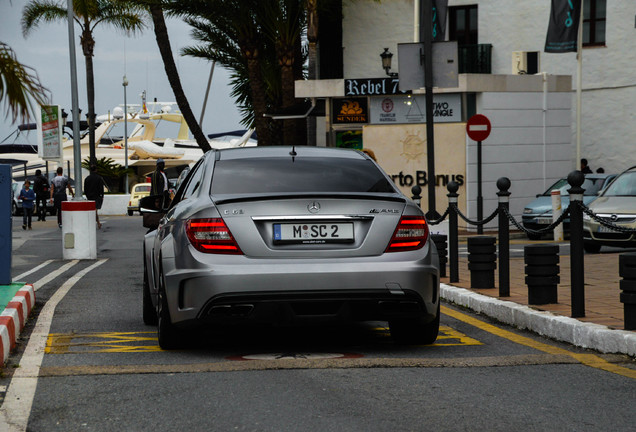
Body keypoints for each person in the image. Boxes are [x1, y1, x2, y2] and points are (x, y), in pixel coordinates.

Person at [84, 164, 105, 229]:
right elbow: (101, 188)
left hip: (90, 196)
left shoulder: (87, 178)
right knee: (95, 210)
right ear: (96, 170)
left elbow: (85, 189)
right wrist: (102, 196)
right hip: (97, 196)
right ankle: (98, 223)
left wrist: (87, 195)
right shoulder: (99, 178)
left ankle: (96, 223)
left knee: (93, 210)